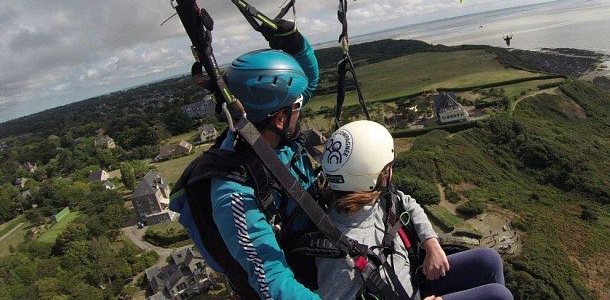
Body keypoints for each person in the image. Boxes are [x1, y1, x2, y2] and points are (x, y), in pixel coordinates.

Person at [169, 19, 323, 300]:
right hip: (301, 279)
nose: (303, 106)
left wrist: (297, 45)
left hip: (313, 244)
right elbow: (272, 284)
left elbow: (309, 83)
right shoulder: (234, 192)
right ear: (279, 118)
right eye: (298, 106)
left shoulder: (264, 128)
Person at [316, 120, 514, 300]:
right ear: (377, 178)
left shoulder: (376, 200)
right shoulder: (339, 253)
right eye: (388, 168)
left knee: (489, 260)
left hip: (412, 282)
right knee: (498, 296)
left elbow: (406, 202)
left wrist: (431, 242)